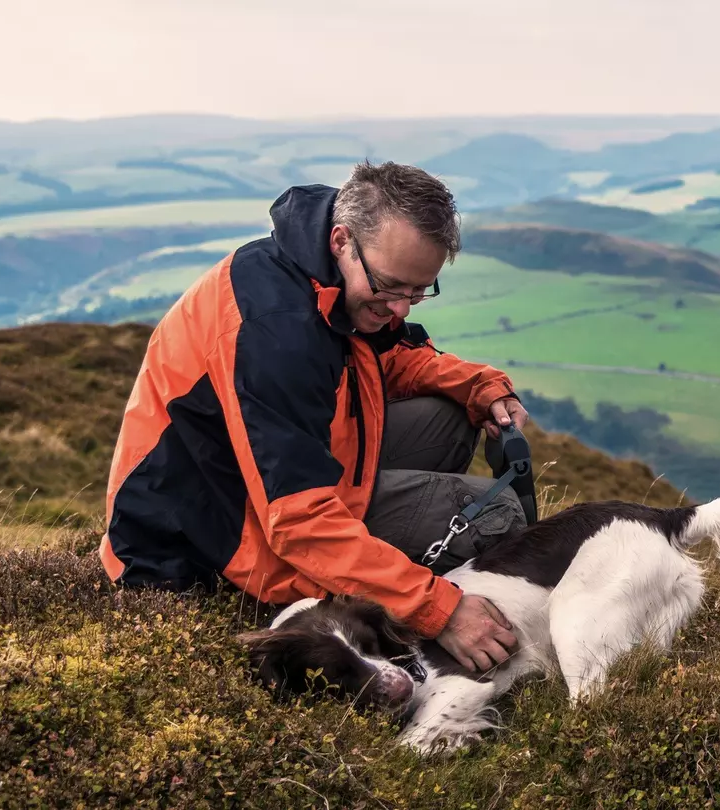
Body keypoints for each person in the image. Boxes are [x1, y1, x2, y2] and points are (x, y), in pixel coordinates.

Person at [99, 161, 529, 673]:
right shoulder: (274, 330)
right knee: (498, 517)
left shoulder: (332, 277)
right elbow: (298, 521)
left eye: (418, 291)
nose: (402, 310)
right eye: (392, 288)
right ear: (343, 240)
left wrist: (477, 385)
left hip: (274, 483)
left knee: (448, 415)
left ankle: (385, 565)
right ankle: (422, 606)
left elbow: (389, 356)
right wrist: (441, 610)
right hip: (207, 540)